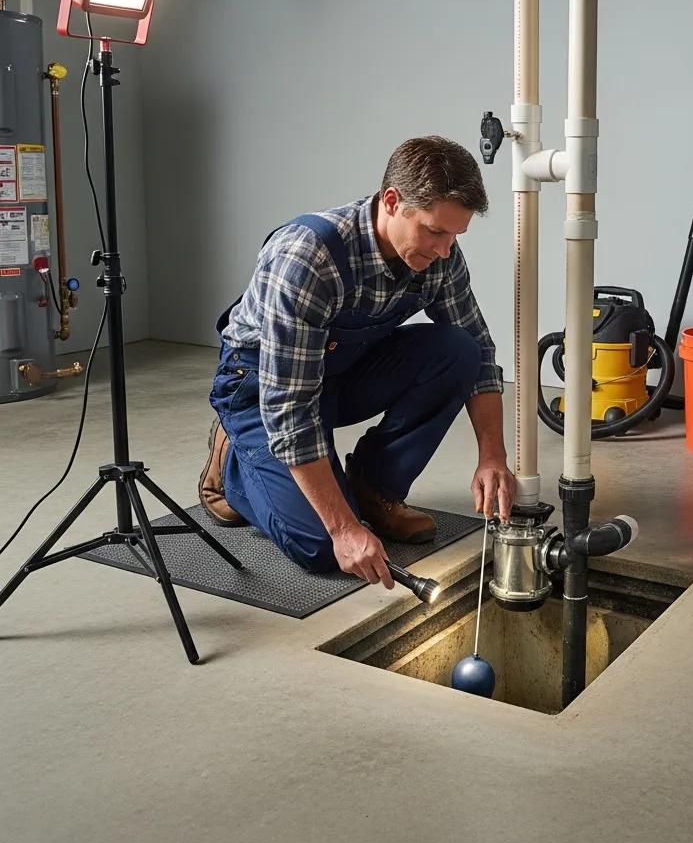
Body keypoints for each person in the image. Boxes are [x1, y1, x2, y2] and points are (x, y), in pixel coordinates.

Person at [198, 136, 515, 589]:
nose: (445, 250)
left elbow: (480, 354)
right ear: (392, 201)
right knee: (321, 546)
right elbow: (289, 408)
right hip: (261, 390)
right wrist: (343, 528)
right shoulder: (309, 257)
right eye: (435, 231)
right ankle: (232, 463)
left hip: (338, 373)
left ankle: (374, 489)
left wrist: (492, 457)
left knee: (458, 350)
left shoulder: (439, 256)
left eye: (455, 236)